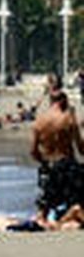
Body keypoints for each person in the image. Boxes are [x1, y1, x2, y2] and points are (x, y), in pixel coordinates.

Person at [30, 90, 84, 220]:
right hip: (67, 165)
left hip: (49, 165)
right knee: (76, 202)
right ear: (62, 101)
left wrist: (44, 161)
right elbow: (81, 148)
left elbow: (33, 151)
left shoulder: (39, 121)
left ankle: (42, 224)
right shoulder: (68, 119)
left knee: (44, 205)